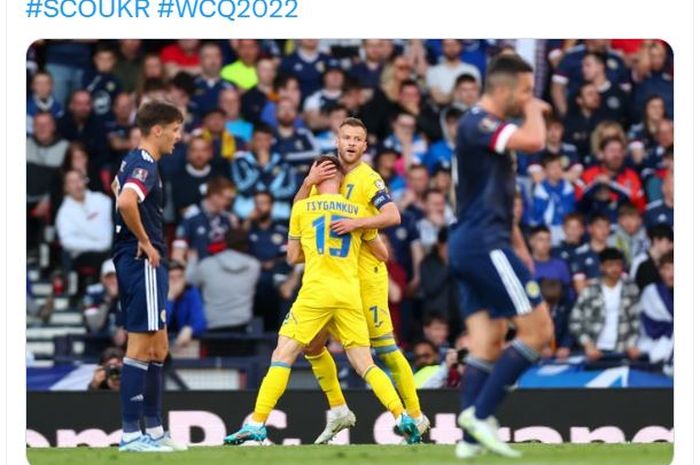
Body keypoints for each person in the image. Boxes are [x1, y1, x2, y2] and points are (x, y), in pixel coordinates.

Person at [223, 154, 422, 446]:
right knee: (365, 364)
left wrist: (318, 250)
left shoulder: (302, 208)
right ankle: (401, 415)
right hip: (349, 294)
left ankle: (256, 423)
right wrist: (356, 234)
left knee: (282, 355)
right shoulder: (355, 212)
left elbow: (292, 257)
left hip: (316, 293)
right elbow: (382, 254)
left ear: (316, 177)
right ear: (341, 180)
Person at [292, 119, 429, 444]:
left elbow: (393, 216)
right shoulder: (324, 173)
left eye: (358, 139)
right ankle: (338, 410)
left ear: (365, 146)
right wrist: (306, 182)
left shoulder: (369, 179)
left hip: (365, 278)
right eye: (346, 137)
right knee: (312, 346)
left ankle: (415, 415)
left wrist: (357, 223)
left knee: (385, 351)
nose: (351, 143)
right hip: (328, 276)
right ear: (337, 140)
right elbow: (298, 213)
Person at [449, 54, 553, 459]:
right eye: (525, 90)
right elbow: (536, 142)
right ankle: (480, 414)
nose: (529, 97)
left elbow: (495, 199)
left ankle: (469, 444)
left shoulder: (484, 131)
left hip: (477, 241)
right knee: (539, 332)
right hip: (482, 244)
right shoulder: (477, 122)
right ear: (506, 89)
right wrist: (533, 109)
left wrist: (521, 246)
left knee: (487, 343)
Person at [112, 100, 186, 452]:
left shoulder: (134, 161)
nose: (178, 137)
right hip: (142, 258)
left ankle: (154, 430)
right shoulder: (144, 164)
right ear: (158, 129)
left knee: (159, 346)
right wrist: (143, 240)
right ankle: (130, 434)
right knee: (141, 345)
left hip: (140, 258)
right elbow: (125, 201)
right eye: (175, 129)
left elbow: (116, 187)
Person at [186, 227, 260, 339]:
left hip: (212, 325)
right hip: (242, 326)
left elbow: (189, 281)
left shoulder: (206, 265)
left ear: (224, 243)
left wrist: (192, 261)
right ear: (246, 245)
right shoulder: (254, 265)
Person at [569, 248, 641, 362]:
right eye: (610, 265)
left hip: (623, 350)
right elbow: (575, 321)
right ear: (601, 267)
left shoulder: (631, 289)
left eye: (618, 264)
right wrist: (587, 344)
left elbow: (636, 320)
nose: (615, 268)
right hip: (595, 351)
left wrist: (631, 344)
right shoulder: (590, 289)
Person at [55, 170, 113, 282]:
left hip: (111, 248)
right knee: (102, 260)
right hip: (83, 254)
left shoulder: (102, 200)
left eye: (79, 180)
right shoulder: (64, 213)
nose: (77, 184)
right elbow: (67, 241)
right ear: (66, 187)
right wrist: (98, 245)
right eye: (72, 182)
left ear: (84, 181)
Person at [172, 176, 237, 264]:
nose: (230, 203)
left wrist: (235, 226)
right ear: (214, 196)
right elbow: (177, 253)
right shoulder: (192, 216)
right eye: (228, 199)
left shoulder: (227, 218)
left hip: (224, 269)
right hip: (199, 268)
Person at [638, 252, 673, 375]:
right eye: (668, 268)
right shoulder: (651, 291)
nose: (672, 273)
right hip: (656, 346)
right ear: (660, 270)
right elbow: (651, 326)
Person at [165, 261, 207, 351]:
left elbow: (200, 320)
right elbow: (161, 323)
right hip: (160, 344)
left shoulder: (191, 292)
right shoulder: (159, 294)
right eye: (171, 278)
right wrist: (170, 298)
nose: (176, 282)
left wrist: (190, 329)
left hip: (183, 345)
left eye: (179, 277)